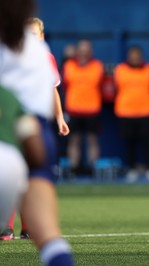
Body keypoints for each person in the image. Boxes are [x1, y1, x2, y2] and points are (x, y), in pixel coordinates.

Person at [0, 0, 75, 265]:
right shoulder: (34, 52)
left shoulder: (37, 52)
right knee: (50, 238)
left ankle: (19, 227)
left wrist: (58, 117)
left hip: (14, 136)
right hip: (26, 136)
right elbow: (27, 123)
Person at [0, 86, 44, 236]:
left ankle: (8, 229)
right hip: (10, 158)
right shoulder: (10, 95)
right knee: (22, 185)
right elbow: (28, 132)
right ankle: (27, 228)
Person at [113, 45, 149, 182]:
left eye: (137, 55)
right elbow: (116, 89)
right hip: (125, 111)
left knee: (146, 142)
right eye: (132, 55)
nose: (135, 58)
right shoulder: (120, 70)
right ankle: (131, 168)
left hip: (145, 110)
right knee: (129, 143)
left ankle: (148, 168)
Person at [63, 39, 104, 175]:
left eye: (87, 49)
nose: (84, 52)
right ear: (77, 50)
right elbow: (64, 84)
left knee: (92, 139)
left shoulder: (97, 66)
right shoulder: (69, 65)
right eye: (82, 49)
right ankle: (73, 168)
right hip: (74, 108)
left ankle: (93, 168)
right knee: (74, 139)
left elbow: (98, 82)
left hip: (92, 108)